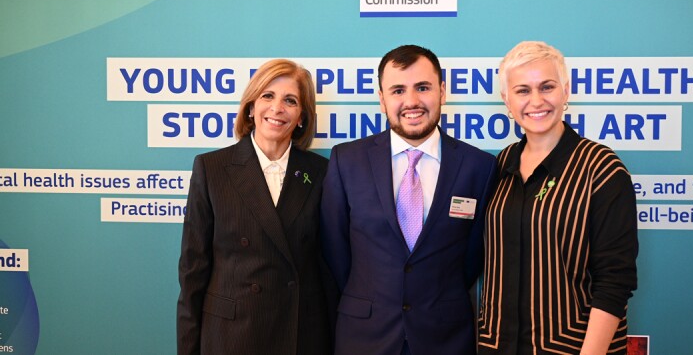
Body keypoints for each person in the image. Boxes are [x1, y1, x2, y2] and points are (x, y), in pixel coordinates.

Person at [321, 45, 497, 355]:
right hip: (364, 337)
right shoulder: (346, 161)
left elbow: (472, 259)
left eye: (423, 87)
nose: (411, 101)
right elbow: (335, 251)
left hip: (446, 338)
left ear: (442, 91)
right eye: (398, 90)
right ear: (382, 99)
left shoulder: (478, 167)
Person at [477, 41, 638, 355]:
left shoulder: (601, 168)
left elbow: (615, 280)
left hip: (572, 348)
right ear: (506, 100)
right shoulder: (499, 165)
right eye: (522, 90)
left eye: (546, 87)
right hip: (498, 346)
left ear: (566, 91)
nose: (536, 100)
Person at [177, 59, 332, 355]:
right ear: (250, 107)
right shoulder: (212, 168)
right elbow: (192, 272)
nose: (277, 109)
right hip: (231, 337)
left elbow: (327, 270)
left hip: (299, 335)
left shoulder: (322, 173)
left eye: (290, 100)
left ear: (301, 116)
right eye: (267, 96)